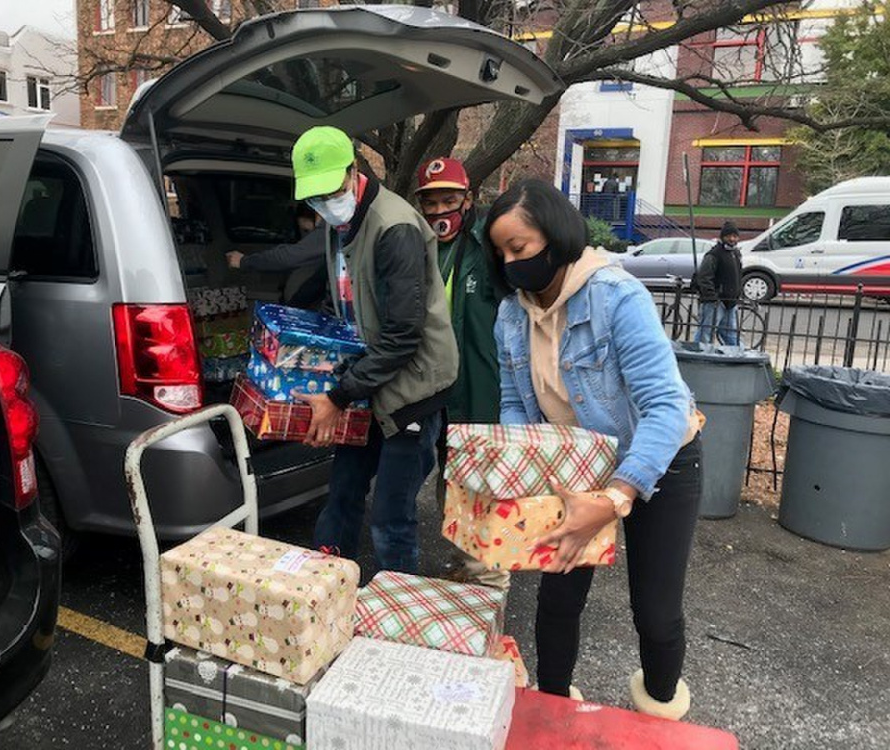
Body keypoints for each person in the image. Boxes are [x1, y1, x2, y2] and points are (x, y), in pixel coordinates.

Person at [487, 179, 703, 720]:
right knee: (557, 597)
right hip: (573, 466)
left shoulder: (616, 296)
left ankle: (658, 709)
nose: (511, 262)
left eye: (520, 248)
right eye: (501, 252)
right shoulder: (511, 315)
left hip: (658, 460)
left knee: (655, 611)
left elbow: (664, 407)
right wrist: (524, 463)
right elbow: (515, 401)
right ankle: (554, 710)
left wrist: (616, 497)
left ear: (556, 237)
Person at [291, 126, 459, 575]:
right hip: (367, 377)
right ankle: (323, 596)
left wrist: (337, 397)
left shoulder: (394, 226)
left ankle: (397, 624)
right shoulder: (340, 224)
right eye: (313, 198)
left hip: (409, 390)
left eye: (329, 191)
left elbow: (403, 334)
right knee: (342, 496)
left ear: (354, 170)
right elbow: (348, 299)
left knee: (391, 517)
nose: (323, 204)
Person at [414, 157, 507, 589]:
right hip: (440, 389)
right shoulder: (423, 246)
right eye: (430, 203)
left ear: (468, 200)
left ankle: (488, 574)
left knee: (482, 480)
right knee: (450, 476)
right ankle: (465, 560)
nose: (438, 212)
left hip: (479, 387)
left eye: (448, 200)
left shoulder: (486, 247)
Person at [695, 221, 743, 346]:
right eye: (729, 236)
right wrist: (712, 297)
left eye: (735, 236)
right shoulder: (714, 255)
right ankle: (699, 357)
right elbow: (704, 277)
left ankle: (738, 356)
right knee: (705, 333)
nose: (732, 239)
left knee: (730, 333)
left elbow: (737, 275)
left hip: (730, 301)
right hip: (716, 301)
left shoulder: (736, 254)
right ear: (723, 237)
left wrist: (738, 294)